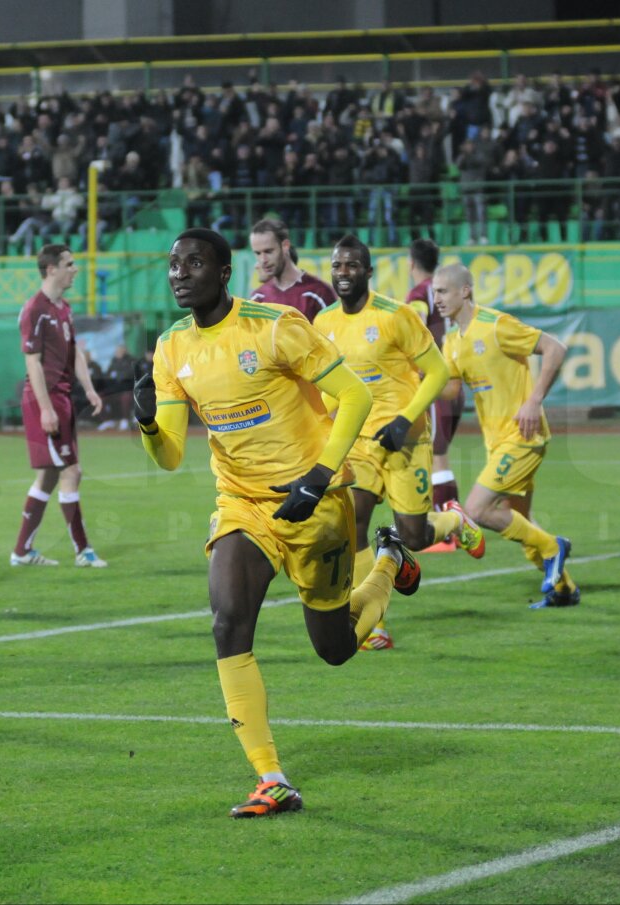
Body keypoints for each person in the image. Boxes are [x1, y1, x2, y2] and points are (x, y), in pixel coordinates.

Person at [134, 227, 418, 818]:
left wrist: (319, 476)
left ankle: (389, 560)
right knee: (226, 622)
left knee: (336, 648)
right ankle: (272, 777)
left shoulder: (274, 325)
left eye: (194, 263)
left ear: (225, 272)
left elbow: (355, 397)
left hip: (315, 503)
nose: (180, 274)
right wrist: (147, 426)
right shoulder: (171, 348)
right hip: (243, 503)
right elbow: (171, 458)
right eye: (173, 265)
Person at [317, 234, 484, 651]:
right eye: (337, 266)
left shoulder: (396, 316)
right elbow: (328, 389)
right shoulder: (324, 325)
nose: (343, 273)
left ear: (368, 272)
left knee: (415, 536)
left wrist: (405, 419)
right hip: (359, 441)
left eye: (352, 265)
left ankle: (454, 521)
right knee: (351, 520)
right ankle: (373, 622)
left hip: (406, 439)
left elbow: (438, 373)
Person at [433, 263, 580, 608]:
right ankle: (564, 590)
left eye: (443, 291)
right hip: (497, 443)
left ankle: (552, 547)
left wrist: (534, 400)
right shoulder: (452, 340)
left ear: (465, 291)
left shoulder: (496, 325)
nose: (436, 299)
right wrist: (414, 375)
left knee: (477, 510)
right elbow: (451, 390)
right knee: (521, 521)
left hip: (523, 436)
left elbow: (555, 348)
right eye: (434, 292)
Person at [10, 244, 108, 568]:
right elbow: (33, 363)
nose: (75, 269)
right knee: (71, 472)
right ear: (51, 269)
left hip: (62, 397)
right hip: (46, 398)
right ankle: (83, 550)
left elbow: (75, 351)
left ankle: (22, 551)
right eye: (69, 263)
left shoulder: (63, 307)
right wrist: (45, 409)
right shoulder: (34, 309)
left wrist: (89, 388)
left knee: (50, 478)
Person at [405, 238, 464, 548]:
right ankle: (448, 525)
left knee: (437, 458)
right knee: (436, 457)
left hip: (433, 384)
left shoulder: (419, 294)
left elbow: (413, 325)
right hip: (454, 380)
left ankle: (450, 532)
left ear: (411, 263)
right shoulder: (443, 290)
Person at [247, 218, 336, 322]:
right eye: (258, 253)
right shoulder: (257, 298)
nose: (263, 260)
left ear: (285, 246)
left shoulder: (319, 293)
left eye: (268, 251)